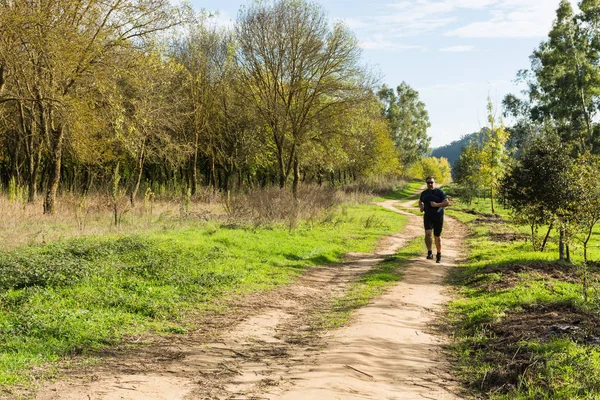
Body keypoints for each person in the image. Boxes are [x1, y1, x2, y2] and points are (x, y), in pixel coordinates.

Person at [419, 176, 450, 263]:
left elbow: (447, 202)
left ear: (434, 183)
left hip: (438, 216)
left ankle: (439, 254)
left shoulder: (440, 192)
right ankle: (429, 252)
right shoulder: (424, 193)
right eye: (428, 182)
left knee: (437, 236)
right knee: (428, 233)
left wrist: (436, 205)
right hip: (428, 216)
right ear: (426, 183)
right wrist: (421, 207)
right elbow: (420, 201)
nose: (430, 184)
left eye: (431, 182)